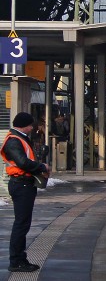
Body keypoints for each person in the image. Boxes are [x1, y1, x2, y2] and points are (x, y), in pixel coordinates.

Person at [2, 112, 50, 272]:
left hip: (24, 184)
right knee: (21, 224)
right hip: (21, 185)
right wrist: (41, 167)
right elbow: (22, 162)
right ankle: (16, 261)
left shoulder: (19, 139)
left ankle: (20, 259)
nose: (32, 128)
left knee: (23, 223)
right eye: (31, 125)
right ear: (25, 125)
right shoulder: (14, 141)